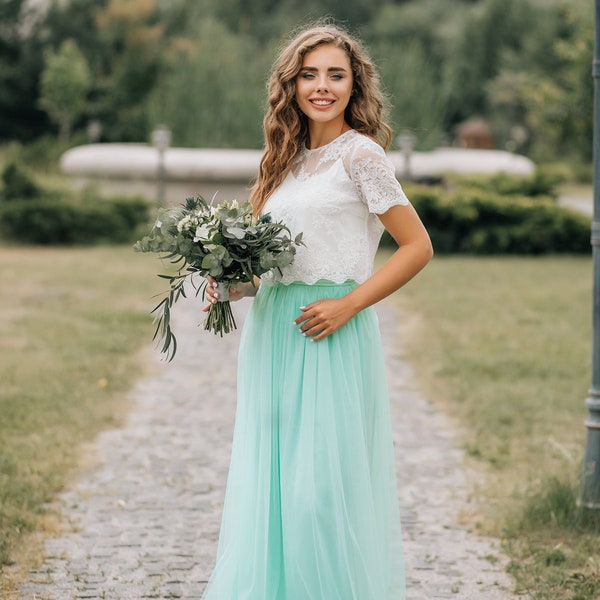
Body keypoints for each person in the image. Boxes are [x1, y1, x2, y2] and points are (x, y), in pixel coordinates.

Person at [200, 22, 433, 600]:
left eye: (336, 75)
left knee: (317, 493)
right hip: (276, 330)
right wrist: (229, 285)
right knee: (274, 484)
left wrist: (349, 305)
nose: (322, 87)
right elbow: (269, 269)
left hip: (331, 330)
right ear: (291, 84)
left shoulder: (363, 155)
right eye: (310, 75)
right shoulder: (281, 160)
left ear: (356, 86)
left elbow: (418, 246)